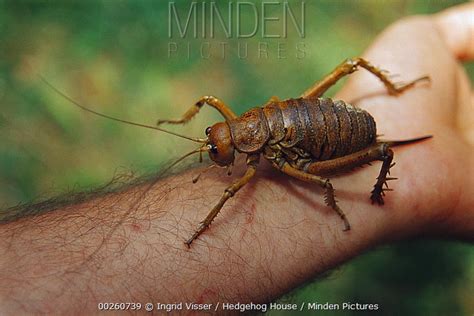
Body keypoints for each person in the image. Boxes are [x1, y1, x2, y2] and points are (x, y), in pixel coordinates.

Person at [0, 3, 472, 314]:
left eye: (218, 144)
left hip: (334, 132)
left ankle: (394, 105)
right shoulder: (241, 128)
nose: (216, 150)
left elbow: (273, 186)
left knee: (367, 138)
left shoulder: (263, 163)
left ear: (239, 142)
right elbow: (210, 104)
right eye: (216, 141)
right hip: (298, 119)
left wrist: (332, 207)